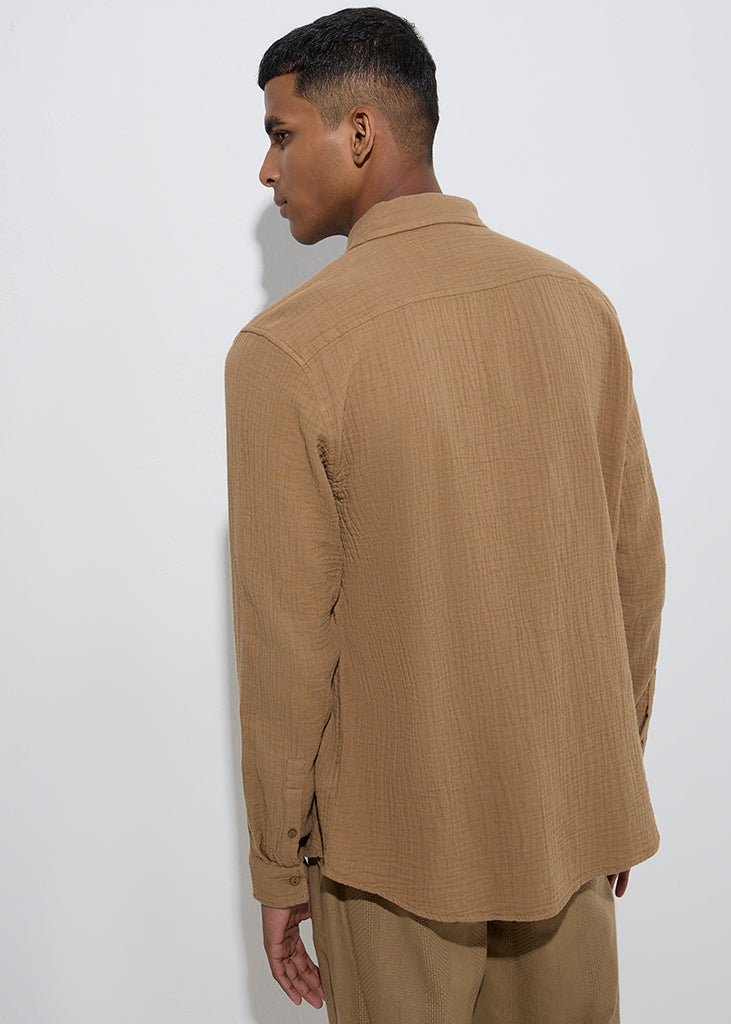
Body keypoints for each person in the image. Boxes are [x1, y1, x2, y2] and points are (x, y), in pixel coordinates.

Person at [225, 8, 665, 1023]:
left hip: (390, 859)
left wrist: (278, 865)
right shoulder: (576, 307)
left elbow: (288, 639)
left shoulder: (288, 350)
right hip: (564, 830)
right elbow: (634, 567)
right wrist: (605, 777)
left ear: (361, 132)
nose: (266, 168)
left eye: (281, 133)